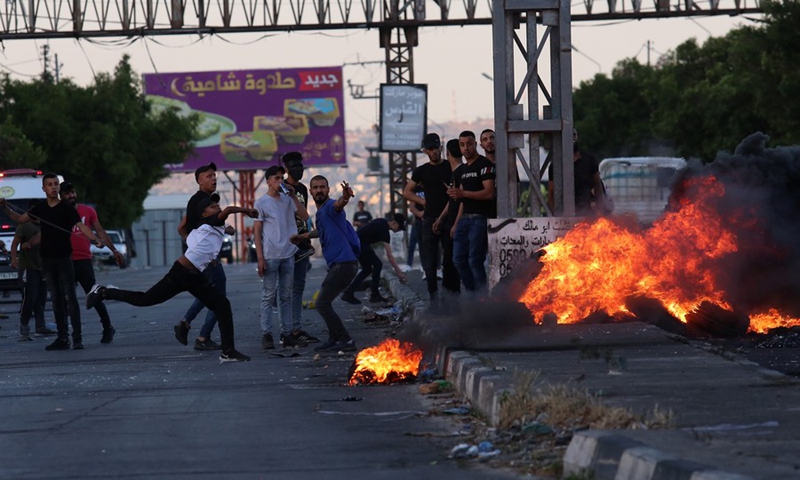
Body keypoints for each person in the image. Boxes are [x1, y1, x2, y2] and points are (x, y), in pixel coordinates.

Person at [85, 194, 256, 363]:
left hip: (196, 277)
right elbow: (229, 210)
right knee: (145, 299)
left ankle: (228, 351)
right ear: (204, 214)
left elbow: (217, 234)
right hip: (180, 274)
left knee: (222, 305)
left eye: (216, 205)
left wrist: (226, 232)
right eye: (212, 206)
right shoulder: (210, 222)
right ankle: (104, 291)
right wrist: (246, 210)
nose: (217, 207)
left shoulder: (206, 228)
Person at [0, 172, 105, 351]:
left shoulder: (66, 208)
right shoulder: (40, 208)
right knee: (56, 300)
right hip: (47, 261)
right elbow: (19, 219)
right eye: (50, 184)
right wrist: (4, 207)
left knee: (70, 298)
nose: (54, 187)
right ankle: (62, 339)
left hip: (64, 259)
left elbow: (81, 227)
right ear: (44, 188)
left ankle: (77, 338)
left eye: (56, 184)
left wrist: (95, 239)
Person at [291, 176, 359, 353]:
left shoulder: (330, 207)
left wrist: (345, 197)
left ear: (328, 190)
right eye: (315, 187)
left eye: (322, 187)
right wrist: (303, 236)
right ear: (311, 191)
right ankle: (334, 338)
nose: (319, 190)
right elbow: (320, 231)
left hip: (343, 264)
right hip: (341, 264)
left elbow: (339, 205)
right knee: (324, 300)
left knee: (322, 304)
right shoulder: (321, 213)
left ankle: (346, 340)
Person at [174, 162, 230, 351]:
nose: (213, 178)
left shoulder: (202, 200)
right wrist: (198, 251)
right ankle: (203, 336)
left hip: (201, 259)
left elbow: (182, 228)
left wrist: (191, 247)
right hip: (208, 260)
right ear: (199, 181)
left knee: (209, 293)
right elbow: (183, 228)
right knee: (219, 297)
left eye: (214, 175)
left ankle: (186, 324)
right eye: (208, 176)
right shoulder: (200, 202)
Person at [254, 164, 311, 350]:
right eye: (277, 178)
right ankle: (266, 334)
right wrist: (260, 258)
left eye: (282, 178)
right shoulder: (261, 203)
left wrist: (293, 196)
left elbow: (305, 216)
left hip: (288, 253)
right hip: (271, 255)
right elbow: (257, 232)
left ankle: (287, 334)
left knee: (286, 296)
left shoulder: (288, 200)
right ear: (268, 181)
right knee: (269, 295)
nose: (280, 181)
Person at [60, 182, 123, 344]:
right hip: (65, 261)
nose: (71, 196)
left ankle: (107, 327)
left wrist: (114, 250)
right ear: (61, 196)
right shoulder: (57, 212)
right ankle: (72, 335)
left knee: (93, 296)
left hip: (84, 261)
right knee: (67, 298)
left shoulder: (88, 211)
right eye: (67, 193)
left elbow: (100, 231)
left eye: (72, 192)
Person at [403, 132, 459, 307]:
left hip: (448, 219)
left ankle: (450, 298)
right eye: (431, 149)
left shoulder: (450, 167)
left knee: (449, 261)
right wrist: (423, 202)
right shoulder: (421, 171)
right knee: (429, 262)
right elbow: (407, 192)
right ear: (425, 151)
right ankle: (434, 299)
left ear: (441, 148)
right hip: (428, 220)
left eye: (437, 148)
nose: (435, 152)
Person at [447, 130, 496, 292]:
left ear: (475, 144)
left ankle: (482, 299)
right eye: (462, 145)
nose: (465, 148)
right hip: (464, 219)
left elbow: (489, 193)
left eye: (469, 144)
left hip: (480, 219)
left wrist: (463, 193)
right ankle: (473, 295)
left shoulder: (484, 165)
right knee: (458, 260)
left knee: (475, 260)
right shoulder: (461, 171)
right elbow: (462, 200)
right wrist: (456, 223)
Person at [279, 152, 319, 345]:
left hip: (301, 243)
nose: (299, 170)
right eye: (294, 167)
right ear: (286, 169)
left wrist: (308, 239)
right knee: (284, 290)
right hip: (285, 244)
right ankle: (284, 330)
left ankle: (296, 328)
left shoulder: (302, 189)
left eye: (301, 167)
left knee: (298, 288)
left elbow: (304, 216)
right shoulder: (280, 189)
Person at [10, 199, 54, 340]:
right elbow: (15, 243)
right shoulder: (24, 225)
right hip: (28, 267)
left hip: (42, 267)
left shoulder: (45, 225)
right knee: (29, 298)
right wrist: (14, 259)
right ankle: (24, 326)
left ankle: (40, 326)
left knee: (41, 298)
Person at [340, 213, 408, 305]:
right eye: (399, 228)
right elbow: (390, 256)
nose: (399, 230)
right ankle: (374, 295)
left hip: (358, 243)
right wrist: (399, 273)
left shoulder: (382, 221)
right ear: (394, 223)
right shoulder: (384, 231)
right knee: (377, 265)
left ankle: (349, 292)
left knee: (368, 269)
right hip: (359, 244)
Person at [547, 131, 605, 217]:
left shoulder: (589, 160)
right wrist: (556, 217)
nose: (571, 139)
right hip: (565, 215)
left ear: (577, 137)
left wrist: (599, 209)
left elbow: (598, 186)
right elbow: (551, 193)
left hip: (587, 213)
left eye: (573, 135)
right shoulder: (556, 166)